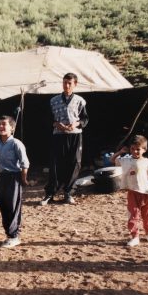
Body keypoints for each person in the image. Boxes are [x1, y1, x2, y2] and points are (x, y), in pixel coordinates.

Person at [40, 72, 88, 206]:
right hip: (58, 135)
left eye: (69, 83)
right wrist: (56, 124)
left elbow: (85, 119)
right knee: (55, 164)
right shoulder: (53, 101)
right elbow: (48, 118)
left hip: (75, 135)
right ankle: (50, 193)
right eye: (64, 82)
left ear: (75, 84)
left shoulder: (80, 101)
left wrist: (76, 124)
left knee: (74, 163)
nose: (66, 85)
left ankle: (68, 193)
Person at [110, 135, 148, 247]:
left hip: (146, 192)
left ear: (144, 149)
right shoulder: (125, 160)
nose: (135, 151)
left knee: (147, 215)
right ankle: (135, 236)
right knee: (133, 215)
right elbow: (112, 160)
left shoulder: (147, 162)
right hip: (132, 191)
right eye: (132, 149)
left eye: (138, 149)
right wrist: (120, 152)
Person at [0, 115, 29, 248]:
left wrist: (23, 178)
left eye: (4, 124)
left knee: (12, 206)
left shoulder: (16, 144)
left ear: (12, 128)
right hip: (1, 177)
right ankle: (8, 232)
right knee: (1, 203)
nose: (1, 127)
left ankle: (14, 236)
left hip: (14, 177)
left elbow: (25, 163)